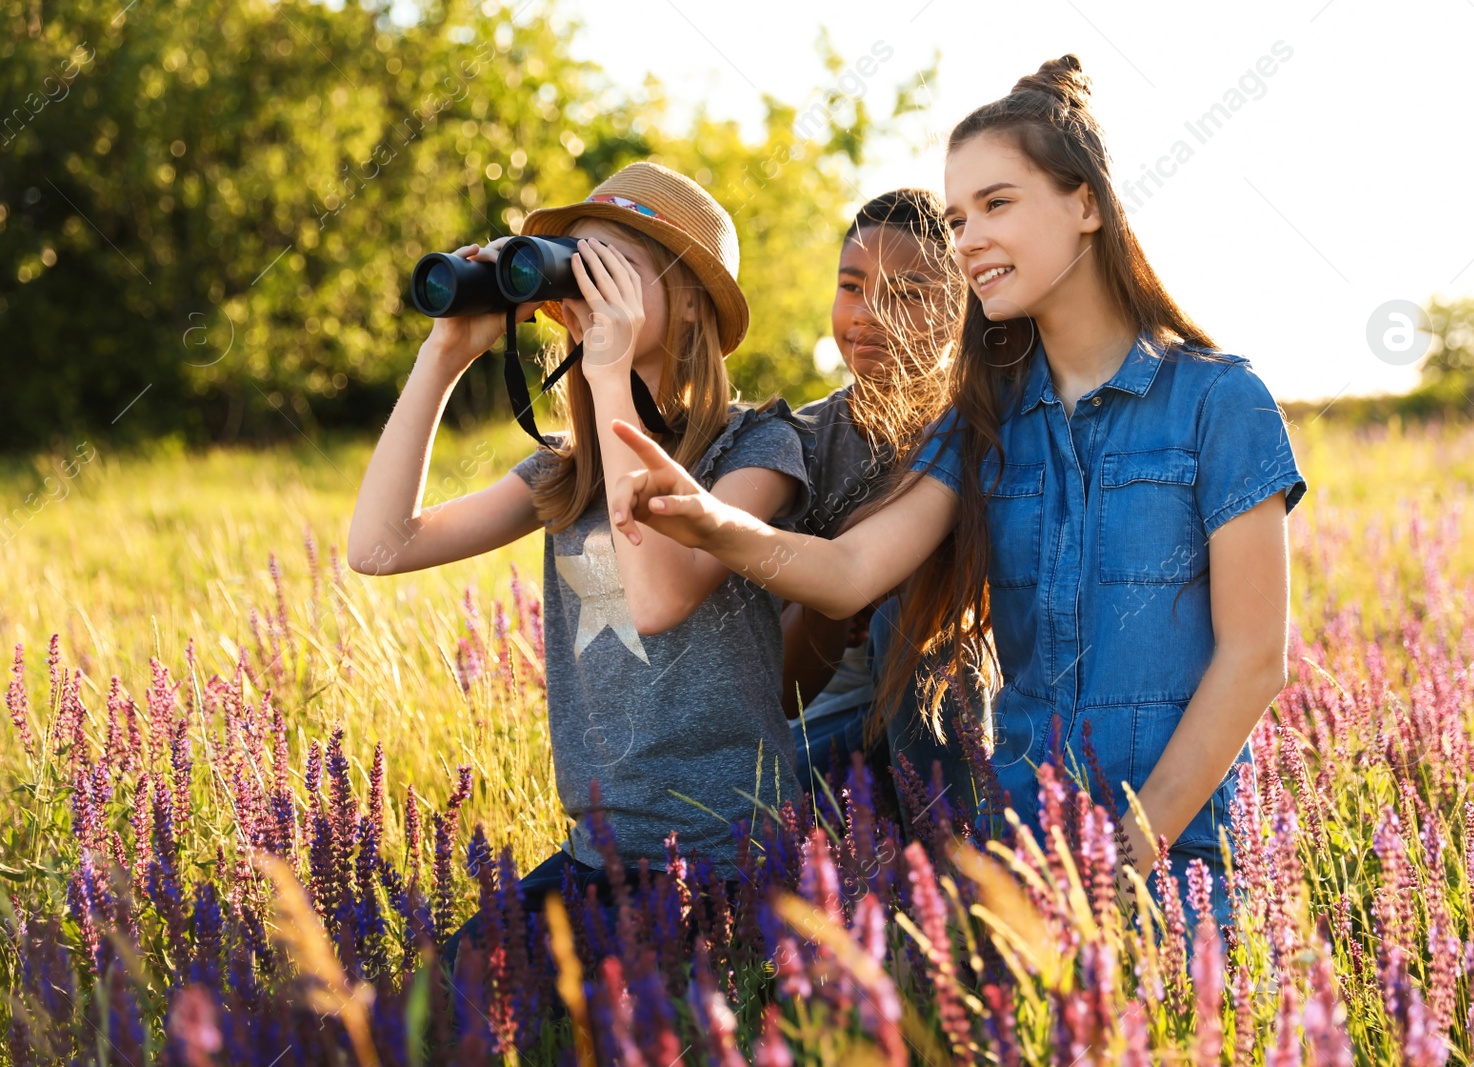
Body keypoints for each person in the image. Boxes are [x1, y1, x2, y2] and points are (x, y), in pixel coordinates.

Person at [602, 57, 1308, 936]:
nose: (968, 238)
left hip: (1181, 859)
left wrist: (1129, 850)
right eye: (957, 216)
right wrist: (714, 524)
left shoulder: (1220, 403)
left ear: (1087, 205)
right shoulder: (983, 423)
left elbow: (1253, 658)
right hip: (1020, 861)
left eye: (997, 204)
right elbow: (853, 568)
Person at [346, 161, 812, 963]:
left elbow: (660, 596)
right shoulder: (566, 475)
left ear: (691, 300)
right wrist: (446, 352)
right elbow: (379, 547)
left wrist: (606, 372)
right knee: (436, 1005)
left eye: (615, 265)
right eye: (575, 261)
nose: (588, 287)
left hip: (731, 863)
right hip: (599, 859)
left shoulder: (759, 448)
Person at [784, 188, 966, 806]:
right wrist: (831, 600)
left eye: (907, 295)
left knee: (918, 601)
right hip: (828, 725)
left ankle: (959, 867)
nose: (867, 314)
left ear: (962, 306)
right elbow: (783, 688)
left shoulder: (987, 428)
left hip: (954, 723)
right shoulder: (800, 443)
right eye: (852, 286)